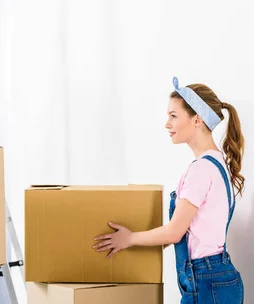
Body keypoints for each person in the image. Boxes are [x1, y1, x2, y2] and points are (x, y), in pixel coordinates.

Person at [93, 77, 245, 303]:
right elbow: (187, 231)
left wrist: (129, 239)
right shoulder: (217, 163)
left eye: (173, 116)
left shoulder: (201, 169)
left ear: (197, 120)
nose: (167, 124)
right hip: (217, 278)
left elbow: (175, 232)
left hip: (206, 282)